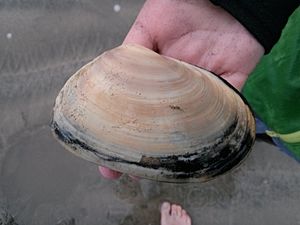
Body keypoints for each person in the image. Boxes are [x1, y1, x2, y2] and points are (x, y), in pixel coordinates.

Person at [100, 1, 299, 224]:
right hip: (259, 70)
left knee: (246, 126)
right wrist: (246, 9)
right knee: (240, 117)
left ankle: (247, 132)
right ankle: (246, 130)